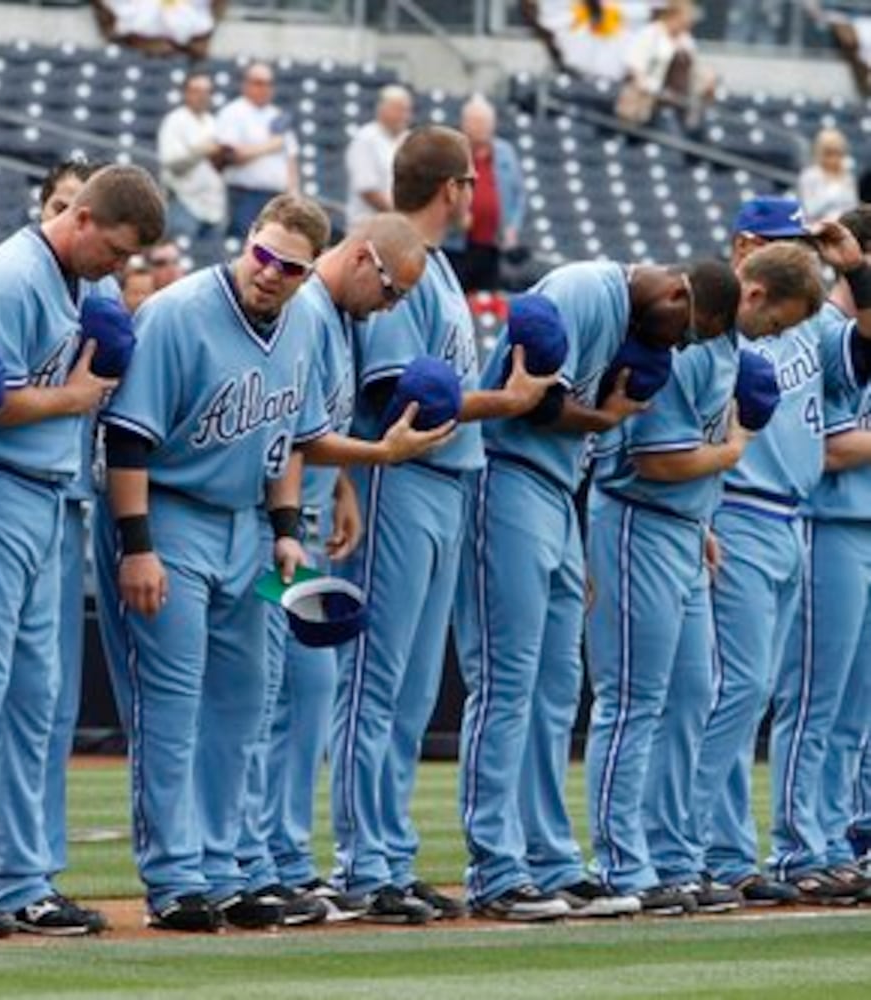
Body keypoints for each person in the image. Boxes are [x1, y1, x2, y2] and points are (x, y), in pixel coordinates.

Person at [0, 165, 165, 936]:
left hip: (56, 498)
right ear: (81, 218)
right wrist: (72, 397)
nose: (116, 267)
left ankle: (21, 876)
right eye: (113, 250)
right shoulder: (12, 277)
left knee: (37, 701)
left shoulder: (84, 289)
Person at [456, 248, 740, 921]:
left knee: (557, 686)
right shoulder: (588, 288)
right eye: (687, 329)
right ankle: (495, 869)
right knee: (507, 680)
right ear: (675, 293)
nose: (681, 347)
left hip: (558, 493)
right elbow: (536, 402)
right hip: (507, 476)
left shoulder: (635, 324)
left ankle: (551, 858)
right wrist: (606, 419)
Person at [331, 126, 559, 925]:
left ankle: (388, 857)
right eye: (471, 181)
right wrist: (510, 402)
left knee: (414, 688)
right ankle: (364, 864)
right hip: (401, 477)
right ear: (455, 187)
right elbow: (402, 396)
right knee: (378, 681)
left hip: (446, 482)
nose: (475, 194)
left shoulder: (440, 272)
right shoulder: (402, 263)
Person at [92, 194, 330, 932]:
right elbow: (128, 439)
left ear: (307, 272)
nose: (271, 273)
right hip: (169, 512)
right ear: (248, 239)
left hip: (248, 528)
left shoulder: (306, 321)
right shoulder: (177, 311)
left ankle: (226, 867)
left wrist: (287, 528)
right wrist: (138, 547)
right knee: (172, 704)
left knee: (243, 703)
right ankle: (174, 879)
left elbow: (288, 439)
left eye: (290, 267)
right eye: (264, 255)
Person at [587, 243, 823, 917]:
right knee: (635, 698)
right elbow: (660, 461)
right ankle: (619, 865)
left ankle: (675, 856)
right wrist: (735, 450)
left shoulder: (724, 346)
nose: (776, 336)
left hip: (686, 530)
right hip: (638, 520)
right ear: (752, 297)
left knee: (696, 693)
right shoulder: (687, 344)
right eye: (778, 322)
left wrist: (705, 518)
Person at [232, 211, 448, 927]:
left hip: (311, 524)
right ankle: (260, 860)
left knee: (303, 694)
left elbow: (321, 426)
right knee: (282, 693)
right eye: (389, 291)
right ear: (361, 258)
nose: (390, 307)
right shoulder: (312, 312)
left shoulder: (338, 316)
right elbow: (292, 437)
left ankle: (281, 861)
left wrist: (346, 486)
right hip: (276, 533)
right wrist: (372, 462)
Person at [698, 198, 871, 905]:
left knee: (765, 692)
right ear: (746, 246)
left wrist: (852, 265)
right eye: (783, 240)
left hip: (788, 516)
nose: (798, 251)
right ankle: (711, 845)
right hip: (734, 511)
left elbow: (864, 338)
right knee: (737, 691)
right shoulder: (710, 320)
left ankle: (743, 849)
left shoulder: (816, 323)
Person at [31, 158, 107, 910]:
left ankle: (35, 868)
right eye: (59, 202)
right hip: (13, 494)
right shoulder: (18, 281)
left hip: (73, 496)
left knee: (54, 700)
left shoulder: (105, 293)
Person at [809, 209, 871, 892]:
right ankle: (813, 843)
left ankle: (849, 833)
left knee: (858, 709)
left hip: (862, 522)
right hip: (828, 523)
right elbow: (830, 446)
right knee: (823, 704)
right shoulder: (827, 331)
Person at [445, 95, 525, 293]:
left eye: (485, 122)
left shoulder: (506, 152)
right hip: (456, 245)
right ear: (464, 124)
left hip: (492, 246)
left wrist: (512, 227)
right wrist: (455, 217)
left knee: (487, 304)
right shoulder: (451, 151)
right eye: (476, 121)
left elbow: (519, 195)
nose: (481, 127)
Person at [215, 63, 299, 240]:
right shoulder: (233, 112)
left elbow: (291, 159)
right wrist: (270, 145)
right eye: (259, 83)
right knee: (246, 245)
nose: (264, 88)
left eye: (269, 83)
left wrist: (293, 196)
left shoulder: (277, 115)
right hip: (244, 195)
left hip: (276, 198)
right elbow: (231, 155)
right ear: (246, 84)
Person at [618, 0, 716, 133]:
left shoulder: (686, 40)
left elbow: (692, 72)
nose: (687, 25)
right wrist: (655, 90)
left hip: (680, 105)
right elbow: (635, 69)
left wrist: (707, 82)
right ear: (674, 16)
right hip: (650, 105)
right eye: (684, 20)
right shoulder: (650, 34)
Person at [156, 71, 226, 242]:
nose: (202, 96)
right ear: (186, 93)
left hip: (213, 207)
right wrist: (202, 149)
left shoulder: (214, 122)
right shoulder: (175, 120)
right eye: (196, 91)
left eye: (206, 91)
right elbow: (170, 161)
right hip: (183, 202)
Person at [345, 85, 413, 228]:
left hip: (400, 227)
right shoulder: (365, 138)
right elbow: (367, 189)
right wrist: (401, 215)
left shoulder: (408, 138)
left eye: (407, 110)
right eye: (399, 110)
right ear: (382, 109)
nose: (404, 116)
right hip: (369, 227)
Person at [798, 128, 858, 225]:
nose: (834, 158)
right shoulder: (809, 175)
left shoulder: (848, 177)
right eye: (829, 153)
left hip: (846, 228)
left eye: (838, 153)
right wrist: (833, 191)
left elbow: (853, 208)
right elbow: (809, 211)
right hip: (818, 229)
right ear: (820, 152)